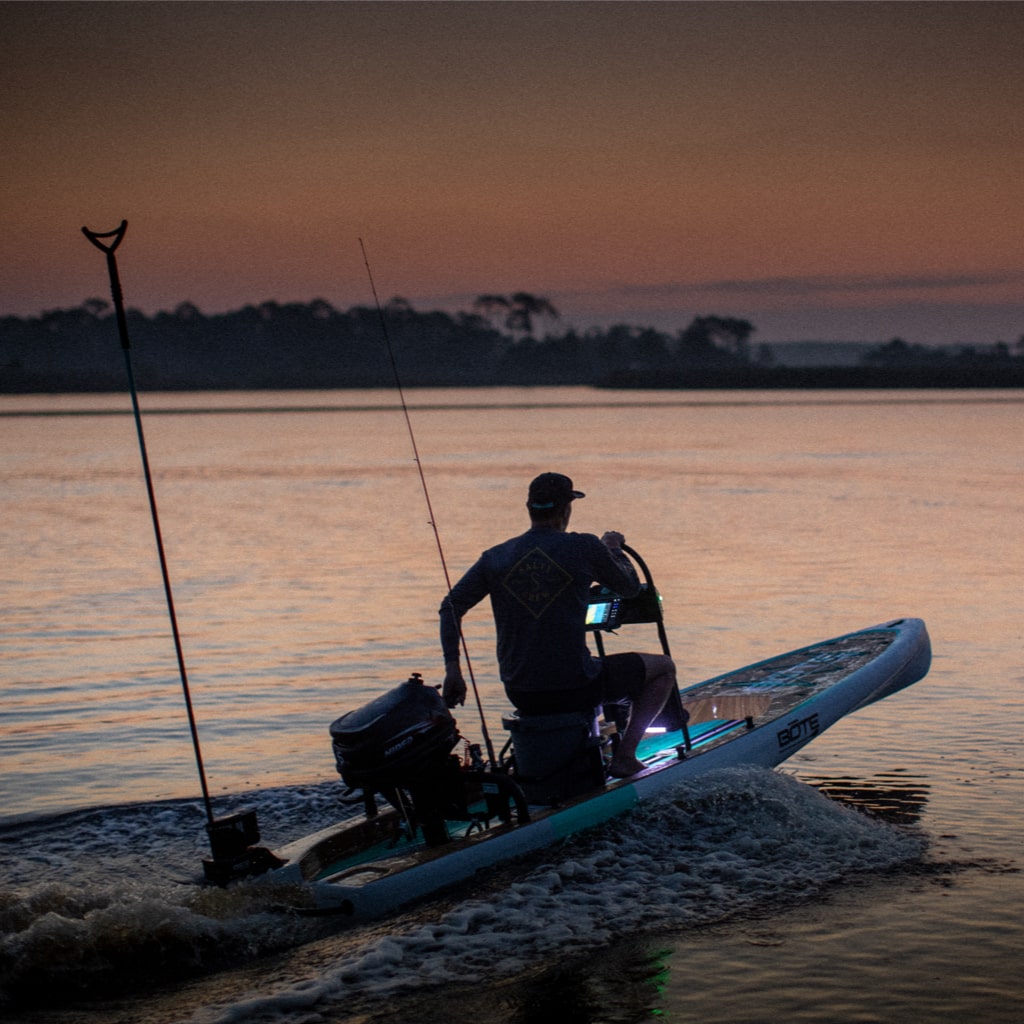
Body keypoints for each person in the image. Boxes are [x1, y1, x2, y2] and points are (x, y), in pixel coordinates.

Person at [439, 471, 677, 778]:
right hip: (575, 686)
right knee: (663, 668)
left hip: (520, 692)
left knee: (594, 667)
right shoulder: (585, 547)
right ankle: (625, 756)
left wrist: (453, 670)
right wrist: (613, 548)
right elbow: (630, 587)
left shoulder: (495, 557)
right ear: (567, 508)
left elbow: (450, 607)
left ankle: (588, 748)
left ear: (529, 508)